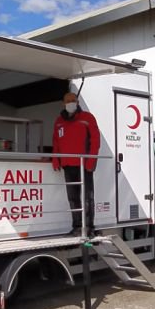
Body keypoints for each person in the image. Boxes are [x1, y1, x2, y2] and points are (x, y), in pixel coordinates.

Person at [52, 92, 100, 236]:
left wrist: (91, 160)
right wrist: (56, 158)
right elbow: (56, 141)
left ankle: (89, 227)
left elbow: (95, 141)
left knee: (87, 197)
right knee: (73, 198)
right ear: (63, 103)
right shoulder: (59, 121)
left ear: (77, 102)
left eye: (73, 100)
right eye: (68, 101)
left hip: (84, 165)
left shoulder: (87, 118)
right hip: (68, 165)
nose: (71, 103)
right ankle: (77, 226)